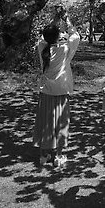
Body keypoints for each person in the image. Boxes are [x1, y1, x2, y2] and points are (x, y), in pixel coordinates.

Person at [33, 12, 80, 167]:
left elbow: (43, 37)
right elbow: (75, 36)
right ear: (58, 36)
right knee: (61, 122)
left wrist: (53, 19)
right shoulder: (64, 50)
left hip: (46, 91)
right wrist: (66, 19)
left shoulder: (42, 49)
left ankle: (43, 155)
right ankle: (58, 156)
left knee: (45, 122)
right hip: (61, 91)